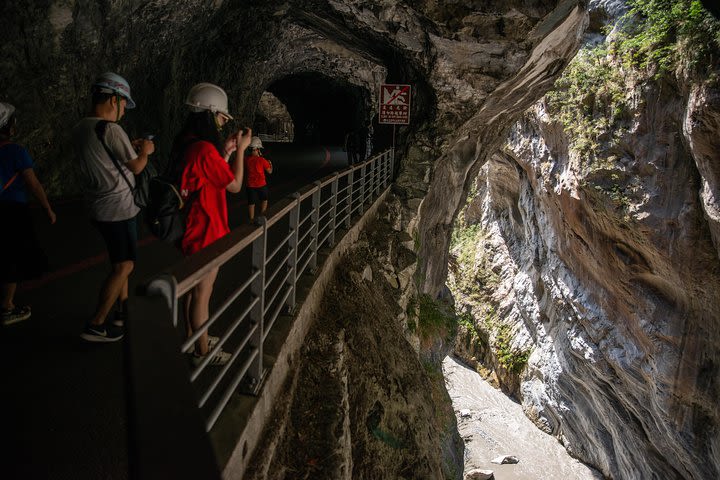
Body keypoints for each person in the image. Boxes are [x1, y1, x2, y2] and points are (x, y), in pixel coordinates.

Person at [72, 72, 155, 342]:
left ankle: (123, 311)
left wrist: (128, 148)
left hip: (98, 207)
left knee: (121, 262)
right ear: (114, 98)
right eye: (123, 104)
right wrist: (146, 150)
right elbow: (137, 166)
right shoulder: (111, 129)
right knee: (125, 266)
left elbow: (105, 158)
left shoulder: (83, 127)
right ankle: (96, 324)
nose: (123, 111)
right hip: (118, 208)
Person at [174, 82, 251, 365]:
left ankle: (193, 339)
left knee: (193, 292)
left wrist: (228, 152)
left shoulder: (191, 144)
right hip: (206, 229)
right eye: (221, 118)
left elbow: (211, 174)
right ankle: (202, 352)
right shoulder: (205, 150)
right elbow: (234, 185)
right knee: (202, 294)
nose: (222, 124)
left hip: (194, 226)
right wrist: (242, 150)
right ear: (210, 114)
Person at [0, 102, 56, 326]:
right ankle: (7, 306)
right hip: (13, 211)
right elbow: (33, 184)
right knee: (12, 257)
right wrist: (48, 209)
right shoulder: (16, 151)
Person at [244, 136, 272, 224]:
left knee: (251, 203)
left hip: (250, 186)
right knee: (264, 200)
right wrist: (270, 164)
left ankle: (251, 220)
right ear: (256, 149)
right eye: (259, 149)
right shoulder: (262, 160)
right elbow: (270, 171)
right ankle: (261, 216)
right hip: (261, 185)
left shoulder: (246, 160)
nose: (259, 150)